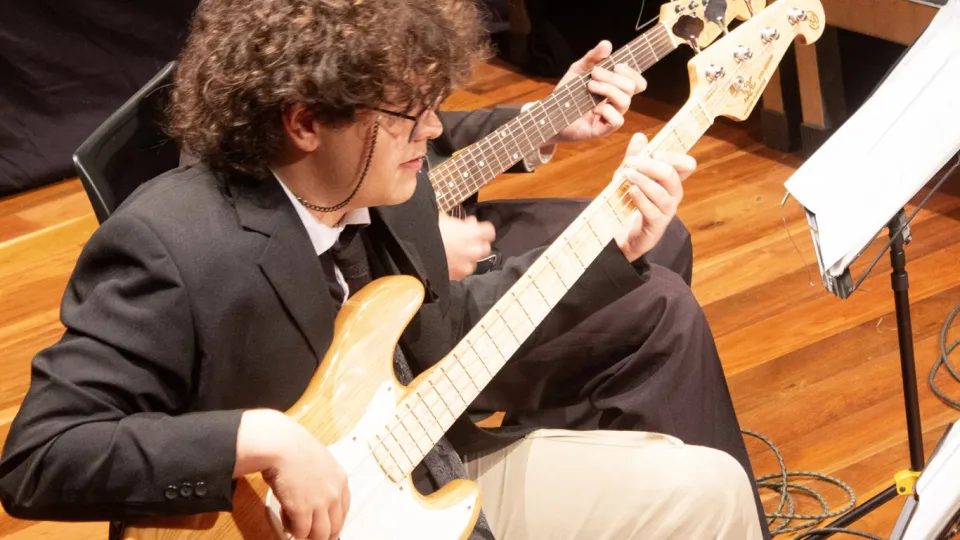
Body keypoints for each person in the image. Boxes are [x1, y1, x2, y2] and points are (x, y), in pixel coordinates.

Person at [0, 1, 765, 540]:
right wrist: (258, 439)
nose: (432, 130)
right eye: (409, 113)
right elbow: (40, 457)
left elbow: (440, 329)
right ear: (305, 122)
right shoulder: (170, 242)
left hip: (425, 470)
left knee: (710, 488)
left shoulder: (389, 186)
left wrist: (613, 244)